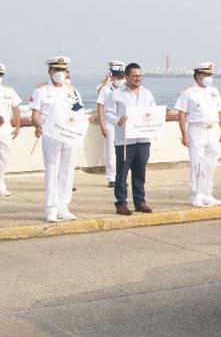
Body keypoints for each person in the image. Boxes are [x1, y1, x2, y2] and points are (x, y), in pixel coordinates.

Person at [29, 56, 85, 222]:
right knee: (52, 172)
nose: (59, 73)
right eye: (56, 70)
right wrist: (38, 127)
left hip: (69, 135)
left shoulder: (72, 90)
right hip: (51, 135)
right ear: (50, 71)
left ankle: (63, 206)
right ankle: (51, 209)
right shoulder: (41, 90)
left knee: (67, 172)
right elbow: (35, 114)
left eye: (62, 70)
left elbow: (79, 112)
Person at [104, 63, 156, 215]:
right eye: (134, 76)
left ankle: (140, 202)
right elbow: (108, 113)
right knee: (122, 173)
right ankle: (121, 203)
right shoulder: (115, 94)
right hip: (125, 140)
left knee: (140, 172)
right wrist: (118, 120)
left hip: (143, 139)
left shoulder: (147, 93)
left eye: (140, 76)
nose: (137, 78)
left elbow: (153, 112)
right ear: (126, 76)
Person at [174, 62, 221, 207]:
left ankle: (207, 193)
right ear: (198, 75)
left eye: (210, 75)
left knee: (211, 164)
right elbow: (182, 114)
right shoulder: (188, 92)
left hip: (213, 130)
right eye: (206, 75)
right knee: (197, 164)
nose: (209, 77)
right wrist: (184, 135)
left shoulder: (214, 91)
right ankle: (196, 195)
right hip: (196, 130)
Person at [96, 60, 126, 188]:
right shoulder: (105, 89)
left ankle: (122, 177)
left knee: (122, 151)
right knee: (110, 151)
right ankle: (111, 177)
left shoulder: (125, 89)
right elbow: (100, 107)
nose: (119, 79)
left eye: (121, 76)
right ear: (111, 75)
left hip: (122, 123)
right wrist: (102, 125)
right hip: (109, 123)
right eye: (117, 76)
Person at [0, 63, 21, 197]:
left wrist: (18, 125)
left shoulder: (9, 91)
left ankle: (0, 185)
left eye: (0, 75)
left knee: (3, 158)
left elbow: (16, 108)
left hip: (4, 129)